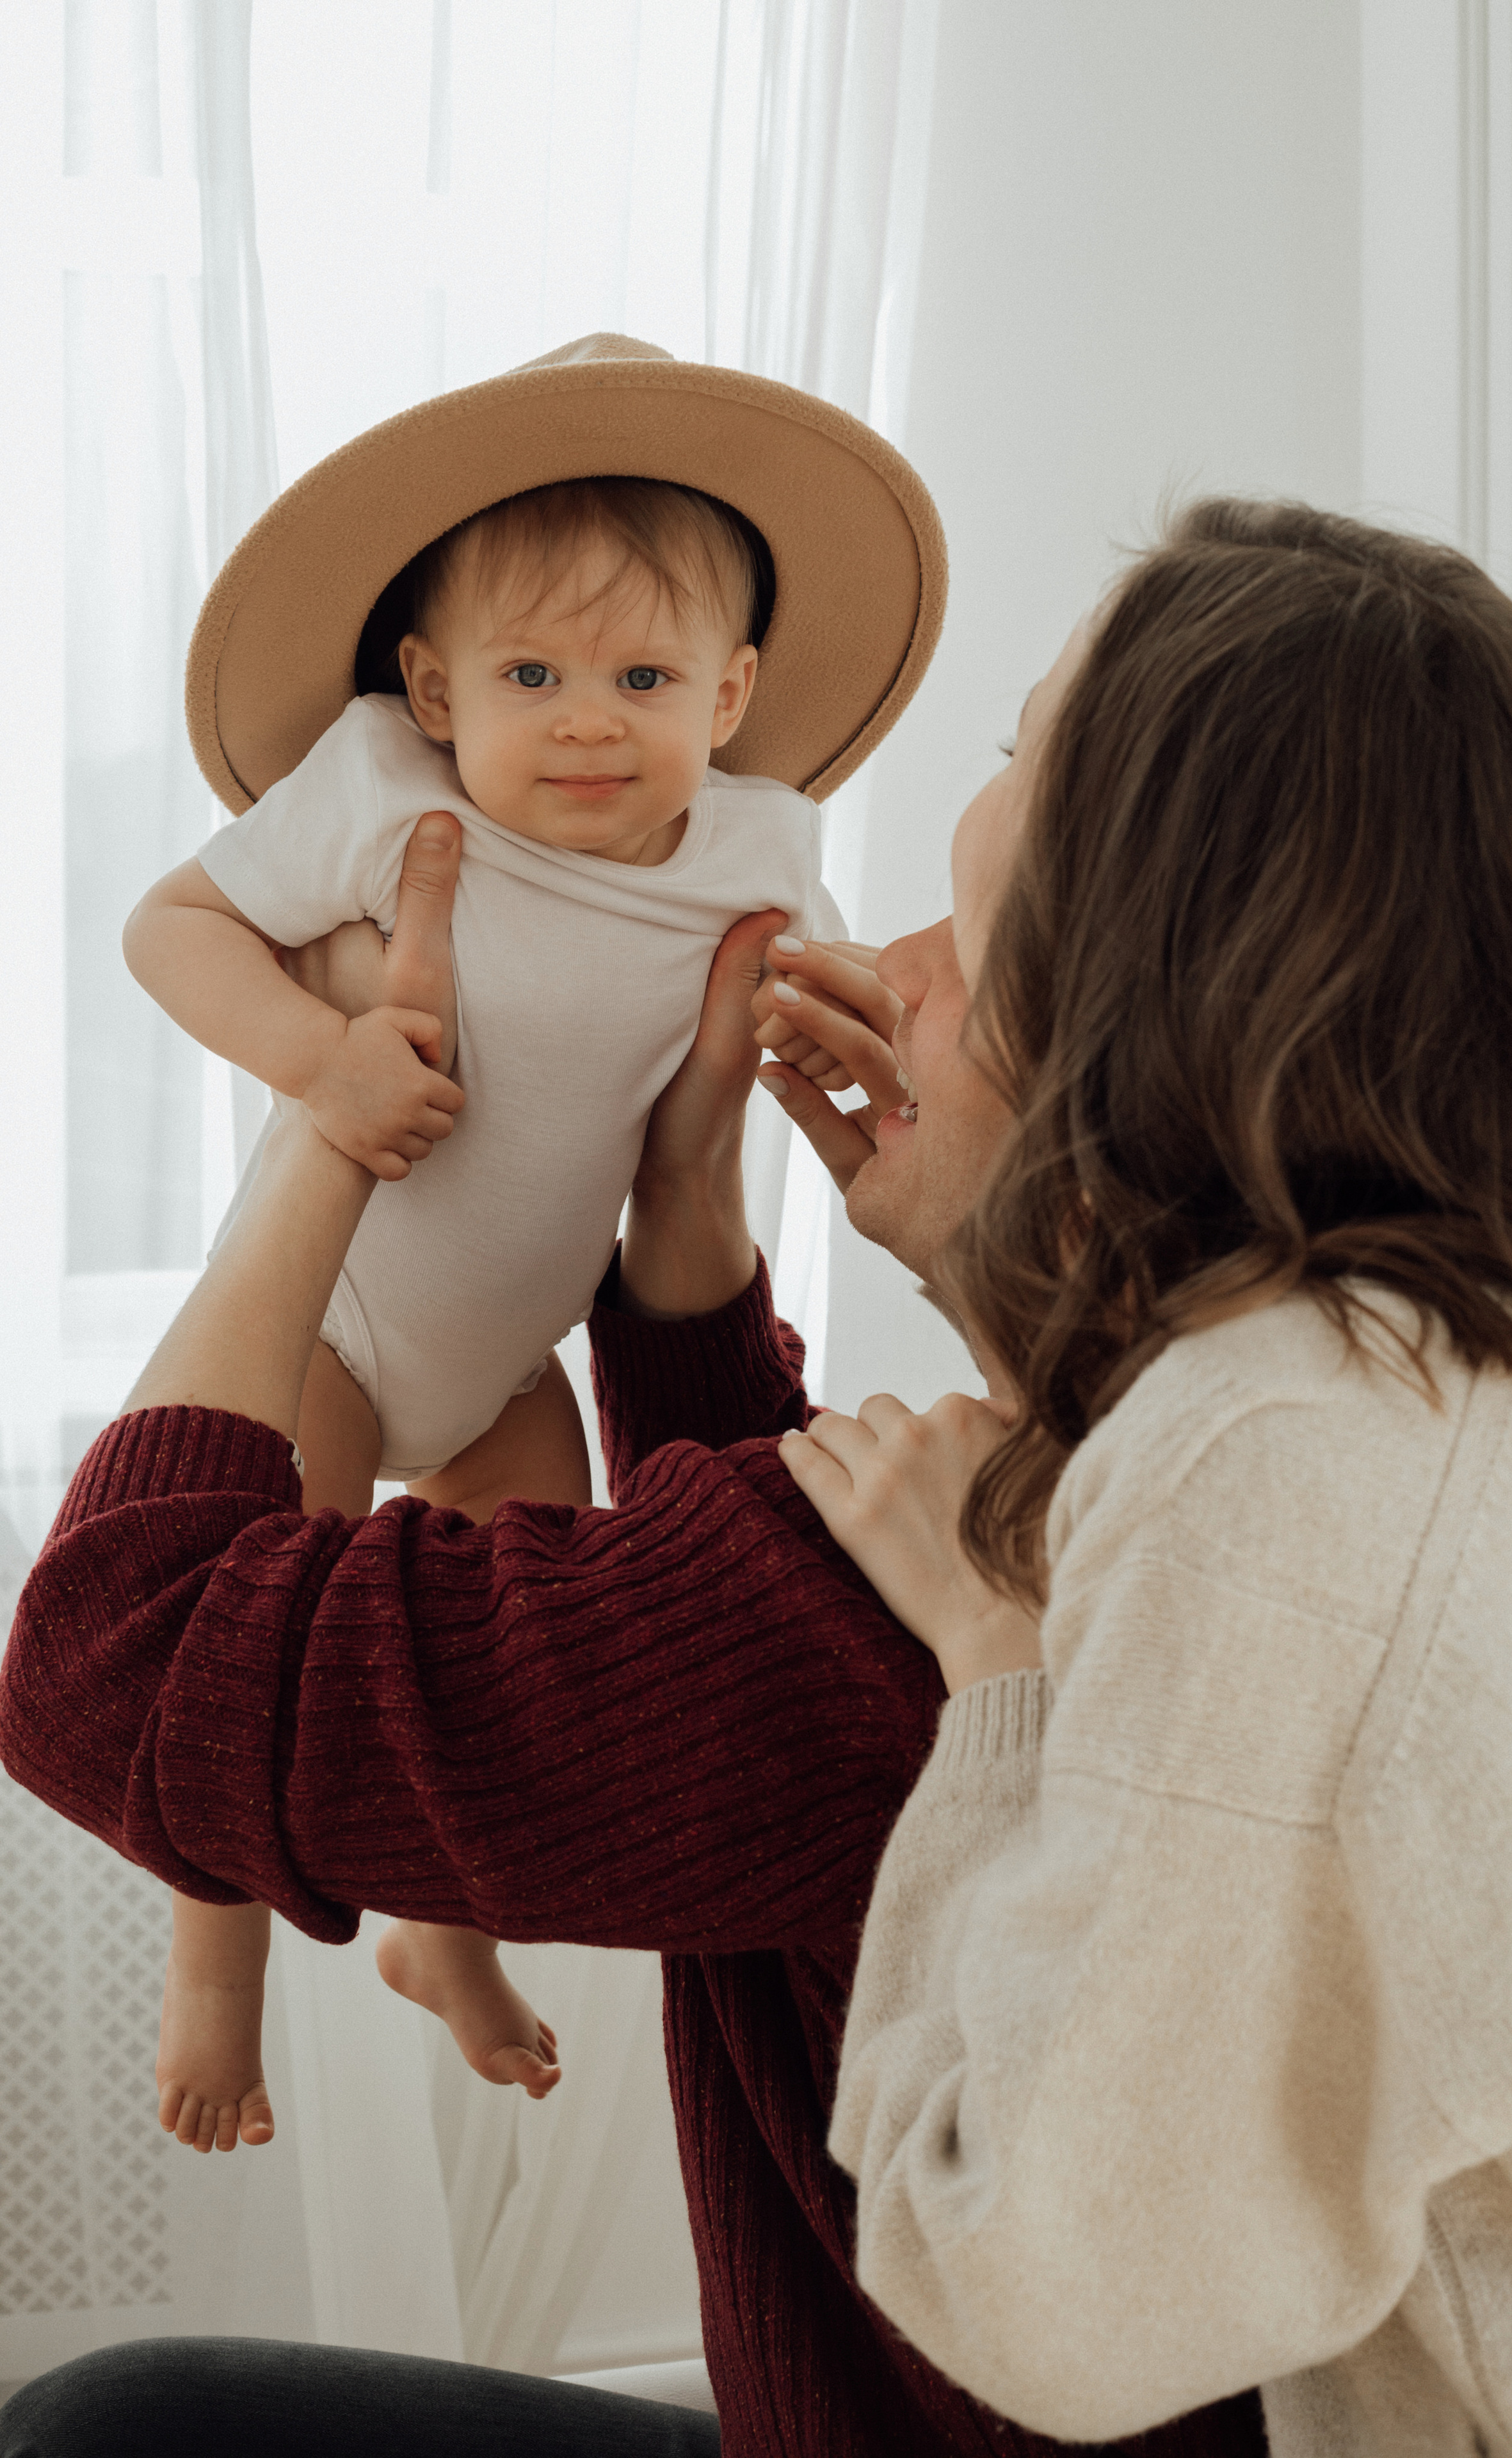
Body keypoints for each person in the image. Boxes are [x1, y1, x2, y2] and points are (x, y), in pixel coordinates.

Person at [0, 803, 1267, 2446]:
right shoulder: (1233, 1487)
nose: (887, 969)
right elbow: (745, 1646)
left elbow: (115, 1660)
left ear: (1133, 1076)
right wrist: (685, 1217)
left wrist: (326, 1115)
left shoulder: (936, 1604)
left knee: (113, 2435)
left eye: (964, 949)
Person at [769, 501, 1512, 2455]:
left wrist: (997, 1674)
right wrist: (979, 1263)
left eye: (1011, 750)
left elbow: (1040, 2287)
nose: (964, 821)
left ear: (1139, 912)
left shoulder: (1277, 1449)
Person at [115, 328, 933, 2157]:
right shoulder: (383, 792)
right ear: (430, 685)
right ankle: (216, 1981)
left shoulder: (757, 851)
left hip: (507, 1359)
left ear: (729, 698)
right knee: (258, 1626)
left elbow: (846, 989)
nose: (584, 718)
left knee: (536, 1580)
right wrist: (321, 1061)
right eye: (531, 671)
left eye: (641, 674)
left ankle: (446, 1939)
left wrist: (863, 1022)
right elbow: (167, 929)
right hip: (330, 1322)